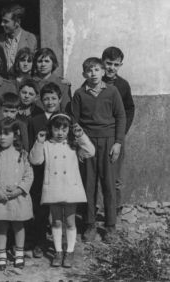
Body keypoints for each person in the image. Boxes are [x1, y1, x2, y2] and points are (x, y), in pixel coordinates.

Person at [71, 57, 126, 242]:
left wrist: (118, 142)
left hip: (108, 141)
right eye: (89, 70)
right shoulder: (79, 94)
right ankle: (89, 224)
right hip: (88, 142)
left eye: (96, 70)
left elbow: (121, 117)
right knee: (89, 183)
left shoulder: (112, 91)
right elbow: (75, 122)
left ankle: (110, 226)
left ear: (103, 72)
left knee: (109, 184)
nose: (93, 74)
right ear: (83, 74)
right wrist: (79, 145)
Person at [29, 113, 95, 268]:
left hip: (70, 188)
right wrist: (39, 141)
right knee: (56, 221)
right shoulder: (47, 144)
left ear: (69, 130)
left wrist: (81, 136)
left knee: (70, 221)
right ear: (50, 129)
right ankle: (58, 252)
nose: (60, 133)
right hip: (53, 188)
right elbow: (35, 160)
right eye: (56, 129)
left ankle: (70, 251)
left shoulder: (73, 144)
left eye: (64, 129)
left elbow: (91, 151)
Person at [0, 118, 33, 271]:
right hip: (0, 198)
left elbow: (29, 175)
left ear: (16, 134)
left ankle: (19, 252)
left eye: (6, 134)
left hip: (18, 197)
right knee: (1, 226)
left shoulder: (22, 154)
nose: (2, 137)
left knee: (19, 225)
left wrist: (19, 190)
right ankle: (2, 254)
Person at [26, 82, 62, 257]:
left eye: (53, 98)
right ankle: (39, 241)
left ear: (60, 99)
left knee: (58, 209)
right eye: (46, 98)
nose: (49, 102)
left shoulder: (64, 119)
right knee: (40, 209)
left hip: (59, 170)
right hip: (40, 170)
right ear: (40, 100)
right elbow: (31, 145)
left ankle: (59, 245)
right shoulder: (35, 120)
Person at [101, 46, 135, 215]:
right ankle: (94, 210)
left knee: (115, 177)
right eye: (108, 63)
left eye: (116, 64)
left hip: (116, 137)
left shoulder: (123, 85)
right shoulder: (94, 80)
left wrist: (121, 135)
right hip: (98, 136)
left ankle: (115, 210)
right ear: (102, 62)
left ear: (120, 65)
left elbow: (129, 109)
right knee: (97, 175)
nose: (112, 68)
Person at [0, 4, 37, 71]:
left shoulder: (30, 38)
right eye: (2, 21)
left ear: (17, 22)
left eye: (6, 21)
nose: (2, 24)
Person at [32, 48, 71, 113]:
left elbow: (66, 110)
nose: (43, 64)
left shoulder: (62, 84)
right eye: (39, 61)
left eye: (47, 61)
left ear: (53, 63)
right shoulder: (30, 82)